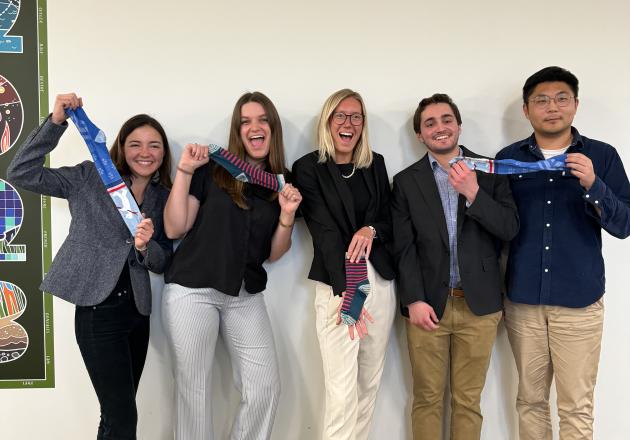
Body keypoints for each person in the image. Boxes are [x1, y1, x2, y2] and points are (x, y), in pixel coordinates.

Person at [7, 93, 173, 440]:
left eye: (154, 146)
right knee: (123, 417)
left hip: (137, 312)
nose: (145, 153)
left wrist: (145, 247)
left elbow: (162, 259)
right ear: (121, 147)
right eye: (136, 144)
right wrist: (55, 122)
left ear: (163, 152)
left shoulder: (164, 196)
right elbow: (21, 172)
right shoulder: (89, 177)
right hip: (98, 310)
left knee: (114, 414)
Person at [497, 66, 630, 440]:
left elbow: (624, 225)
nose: (551, 107)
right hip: (522, 301)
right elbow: (498, 225)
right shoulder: (509, 158)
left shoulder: (602, 156)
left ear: (575, 105)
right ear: (527, 110)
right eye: (541, 100)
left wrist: (593, 184)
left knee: (576, 406)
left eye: (561, 98)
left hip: (580, 302)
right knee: (529, 401)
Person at [162, 91, 302, 440]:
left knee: (265, 388)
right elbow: (174, 228)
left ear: (273, 128)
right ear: (237, 132)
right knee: (193, 391)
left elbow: (273, 253)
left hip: (245, 293)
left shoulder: (281, 183)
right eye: (245, 122)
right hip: (193, 289)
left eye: (261, 120)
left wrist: (286, 216)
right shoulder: (213, 170)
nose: (254, 127)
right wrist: (183, 170)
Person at [391, 93, 518, 440]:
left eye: (446, 119)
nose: (440, 128)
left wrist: (475, 194)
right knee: (427, 399)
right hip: (427, 307)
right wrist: (413, 299)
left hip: (480, 307)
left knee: (467, 401)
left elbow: (509, 228)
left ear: (458, 126)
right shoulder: (405, 181)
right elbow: (403, 247)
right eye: (429, 123)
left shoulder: (490, 170)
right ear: (420, 134)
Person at [292, 88, 396, 440]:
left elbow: (387, 219)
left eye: (356, 116)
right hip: (340, 286)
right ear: (328, 121)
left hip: (379, 284)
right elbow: (324, 231)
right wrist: (350, 289)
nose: (348, 123)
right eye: (340, 115)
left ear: (363, 124)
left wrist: (370, 229)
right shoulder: (308, 169)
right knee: (341, 390)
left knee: (369, 385)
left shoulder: (375, 164)